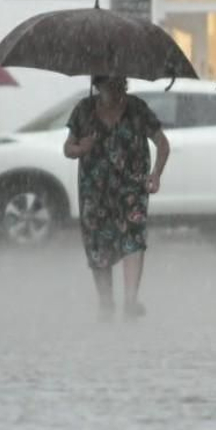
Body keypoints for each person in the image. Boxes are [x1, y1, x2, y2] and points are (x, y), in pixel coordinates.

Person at [63, 75, 169, 320]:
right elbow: (68, 148)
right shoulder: (84, 110)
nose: (117, 90)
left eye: (120, 85)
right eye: (110, 86)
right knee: (98, 244)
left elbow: (163, 144)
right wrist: (81, 149)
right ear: (98, 86)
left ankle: (131, 300)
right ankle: (106, 302)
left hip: (132, 187)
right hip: (94, 190)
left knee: (134, 238)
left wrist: (156, 174)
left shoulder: (137, 108)